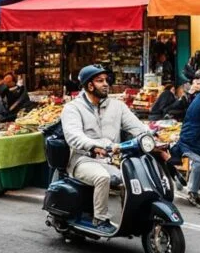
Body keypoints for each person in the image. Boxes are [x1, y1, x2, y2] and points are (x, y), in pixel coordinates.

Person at [60, 65, 150, 231]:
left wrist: (152, 137)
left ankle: (130, 217)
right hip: (83, 160)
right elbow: (73, 136)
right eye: (100, 81)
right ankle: (99, 219)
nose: (105, 84)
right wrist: (93, 146)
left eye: (106, 80)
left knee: (132, 179)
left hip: (112, 160)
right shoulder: (73, 108)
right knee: (102, 177)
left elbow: (136, 126)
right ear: (89, 85)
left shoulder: (117, 106)